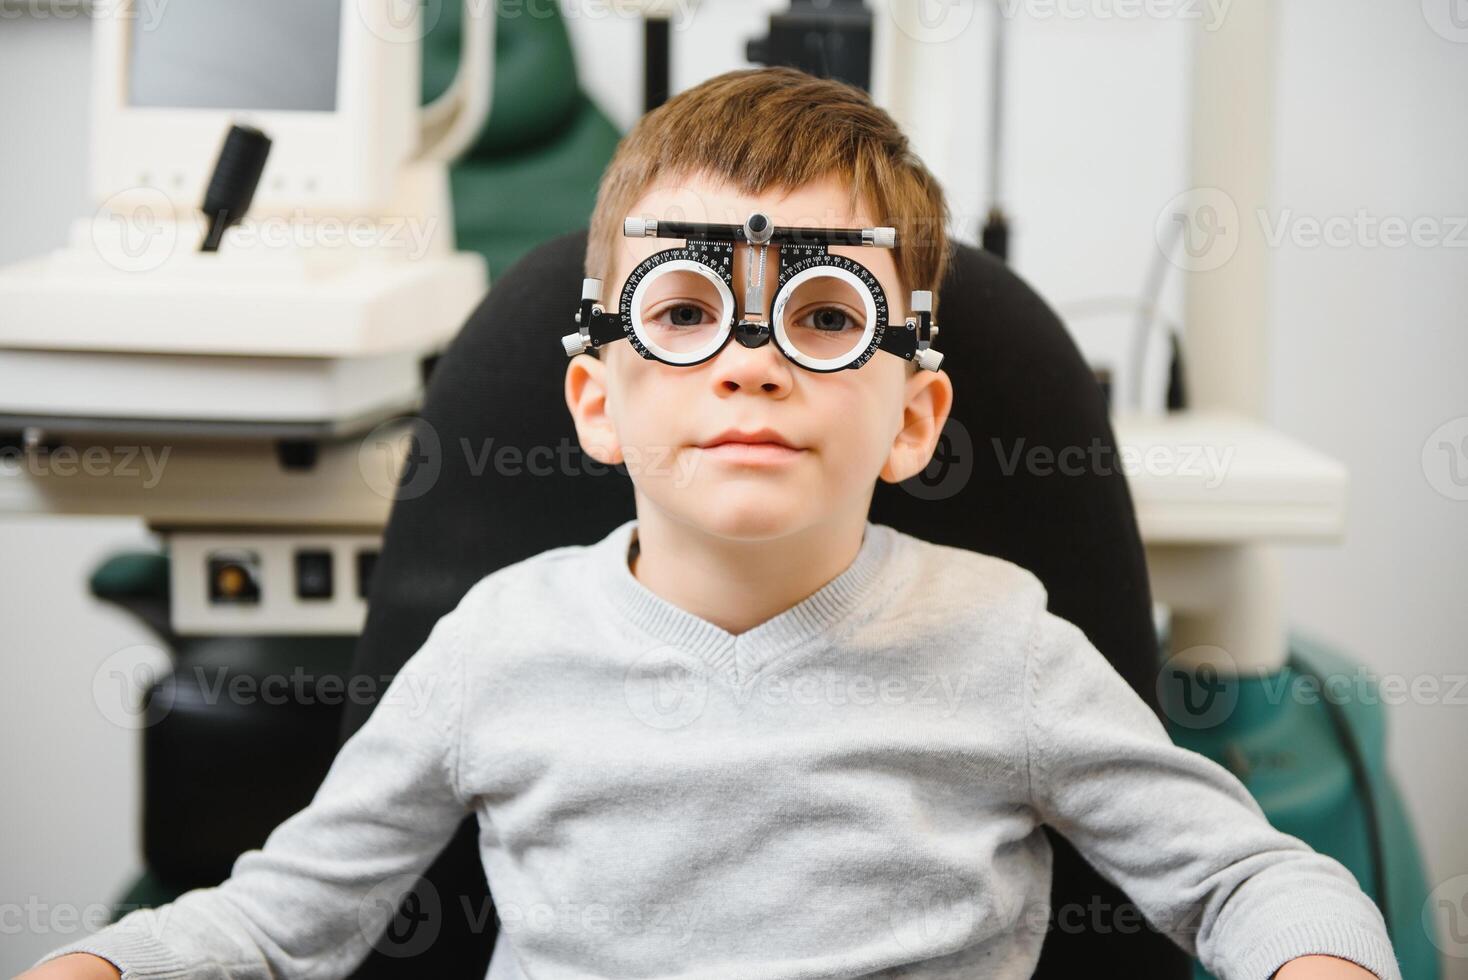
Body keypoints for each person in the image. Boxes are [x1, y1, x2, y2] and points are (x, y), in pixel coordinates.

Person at [25, 67, 1400, 980]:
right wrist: (103, 964)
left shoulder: (1003, 646)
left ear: (912, 419)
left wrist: (1318, 957)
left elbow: (1246, 879)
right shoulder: (496, 647)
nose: (752, 360)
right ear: (595, 400)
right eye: (686, 311)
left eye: (822, 316)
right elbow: (279, 922)